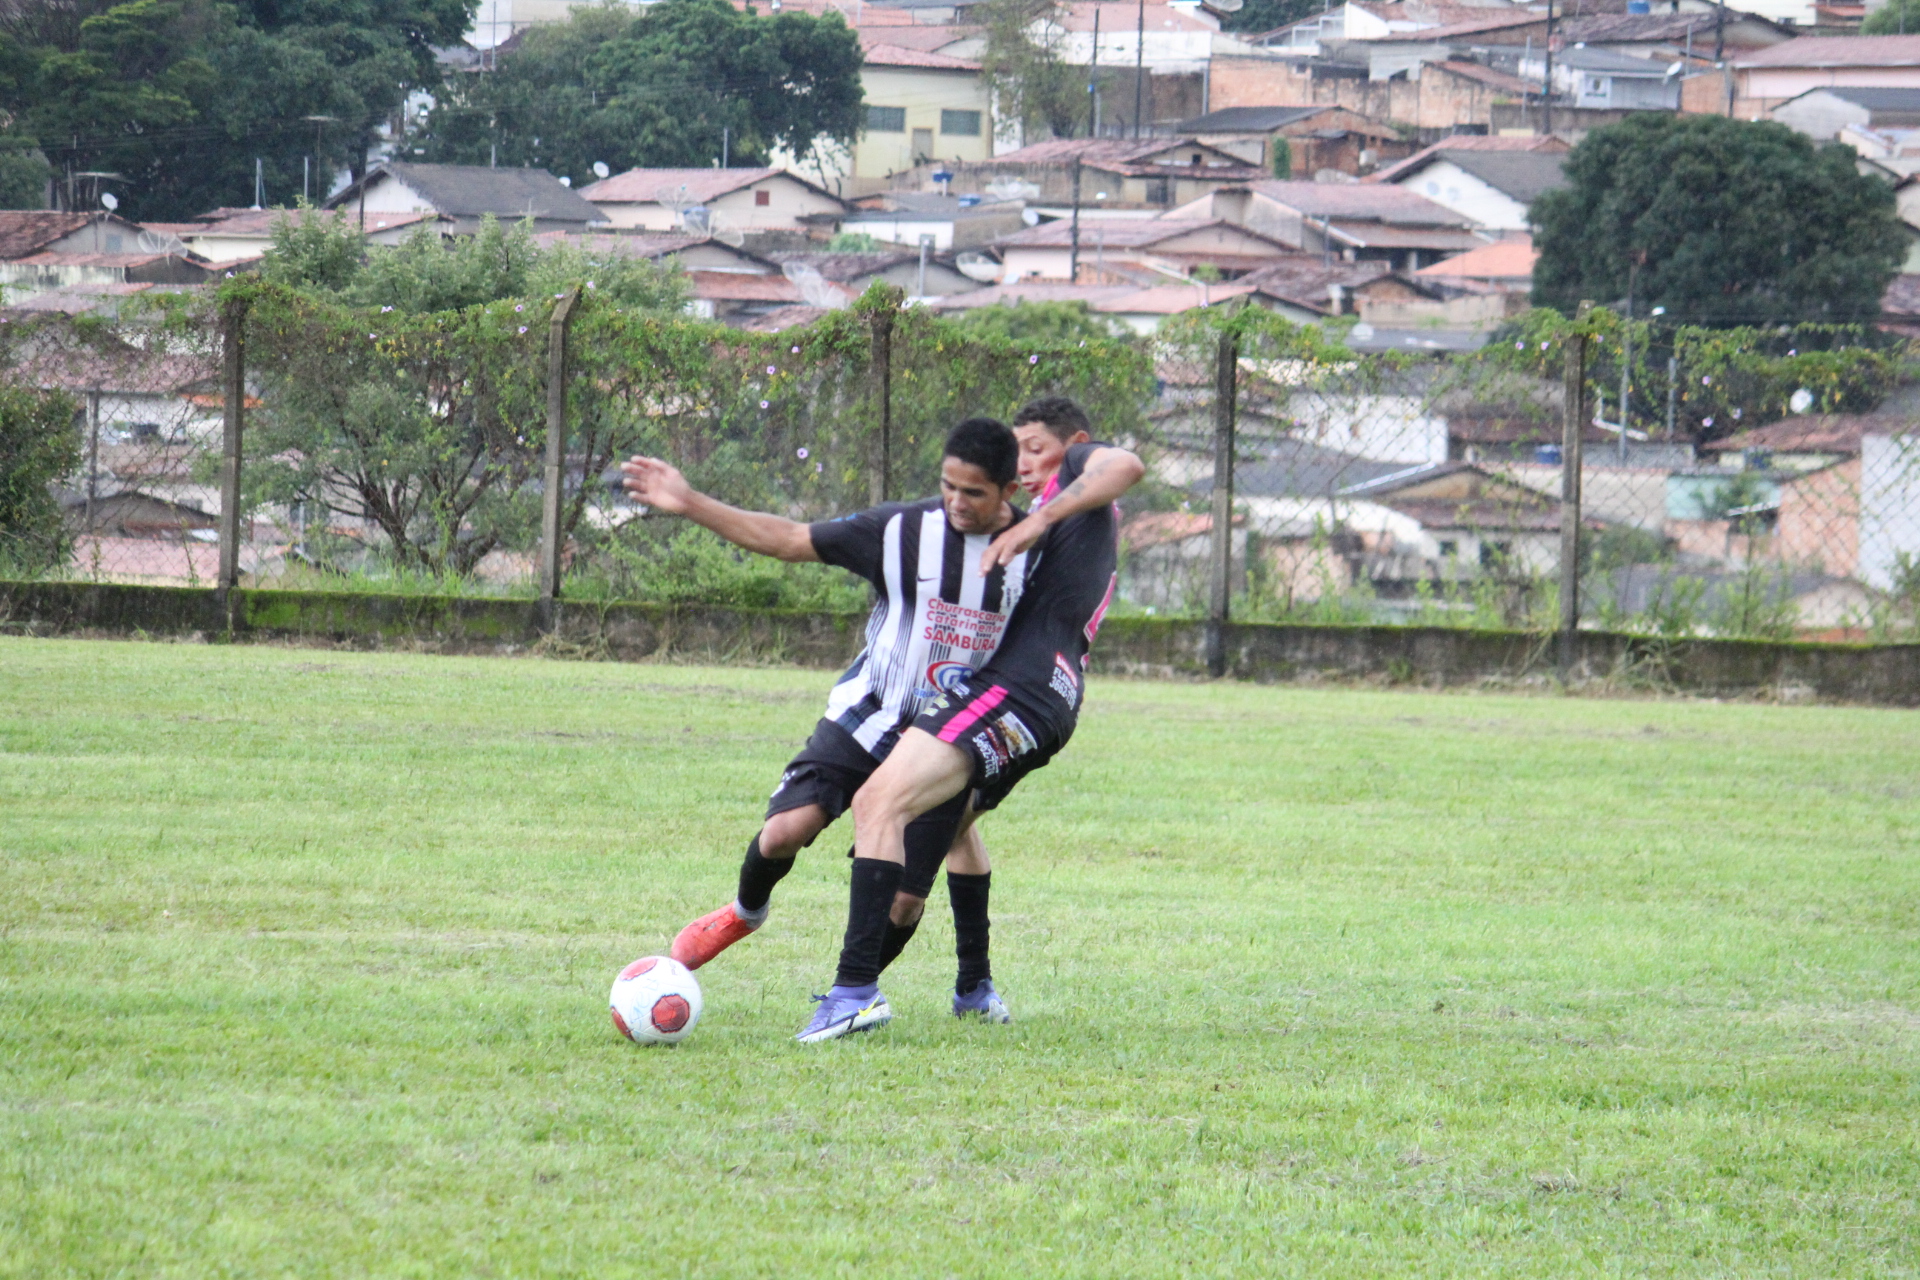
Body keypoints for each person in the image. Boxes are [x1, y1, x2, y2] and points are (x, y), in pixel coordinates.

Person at [618, 418, 1034, 1022]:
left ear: (1007, 493)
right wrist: (689, 502)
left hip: (948, 738)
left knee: (904, 906)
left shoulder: (1035, 554)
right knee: (785, 831)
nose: (956, 503)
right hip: (870, 712)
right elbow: (788, 538)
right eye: (948, 486)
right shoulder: (902, 530)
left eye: (973, 493)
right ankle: (743, 912)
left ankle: (853, 991)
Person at [796, 396, 1146, 1043]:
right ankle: (973, 986)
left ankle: (853, 992)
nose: (1028, 460)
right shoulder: (1045, 509)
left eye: (1037, 447)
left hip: (1018, 690)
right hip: (1036, 694)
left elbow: (1126, 465)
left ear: (1074, 441)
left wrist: (1039, 522)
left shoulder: (1079, 480)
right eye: (1019, 450)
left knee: (885, 817)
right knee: (949, 826)